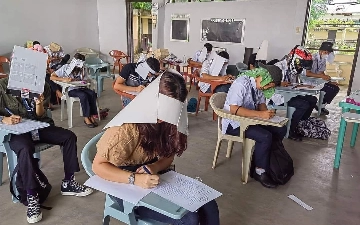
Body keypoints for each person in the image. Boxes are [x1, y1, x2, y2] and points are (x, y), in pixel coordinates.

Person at [93, 70, 220, 225]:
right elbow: (98, 166)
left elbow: (169, 156)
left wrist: (154, 166)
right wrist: (134, 179)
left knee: (208, 204)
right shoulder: (126, 129)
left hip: (152, 176)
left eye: (169, 114)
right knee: (189, 218)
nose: (162, 119)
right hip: (122, 184)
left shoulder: (169, 121)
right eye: (161, 113)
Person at [0, 78, 93, 224]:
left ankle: (68, 182)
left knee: (68, 137)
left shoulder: (42, 85)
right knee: (25, 148)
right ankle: (32, 196)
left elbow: (40, 115)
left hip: (37, 127)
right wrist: (3, 119)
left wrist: (38, 104)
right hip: (15, 131)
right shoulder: (2, 86)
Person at [223, 68, 287, 188]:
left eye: (270, 86)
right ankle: (260, 171)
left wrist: (267, 112)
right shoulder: (241, 83)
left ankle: (265, 161)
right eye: (266, 84)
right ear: (260, 76)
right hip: (234, 123)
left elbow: (261, 104)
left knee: (280, 129)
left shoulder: (259, 85)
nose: (266, 87)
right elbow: (234, 109)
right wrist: (260, 115)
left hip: (250, 120)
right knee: (265, 136)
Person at [273, 46, 318, 141]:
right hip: (279, 97)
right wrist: (279, 83)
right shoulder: (278, 67)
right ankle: (290, 131)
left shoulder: (293, 69)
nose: (300, 68)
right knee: (303, 104)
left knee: (313, 100)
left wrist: (303, 86)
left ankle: (300, 124)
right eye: (300, 65)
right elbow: (269, 85)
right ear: (294, 60)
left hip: (290, 94)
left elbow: (292, 84)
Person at [50, 53, 99, 128]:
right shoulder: (66, 67)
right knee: (83, 96)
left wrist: (85, 80)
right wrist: (64, 79)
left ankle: (91, 115)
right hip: (70, 89)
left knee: (92, 94)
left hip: (81, 87)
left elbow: (86, 79)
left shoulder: (83, 68)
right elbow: (52, 77)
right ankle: (86, 117)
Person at [303, 42, 340, 115]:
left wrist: (329, 81)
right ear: (320, 51)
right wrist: (322, 77)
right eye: (326, 52)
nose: (327, 54)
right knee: (331, 89)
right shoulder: (311, 59)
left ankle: (321, 105)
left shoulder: (323, 60)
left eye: (328, 53)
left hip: (317, 81)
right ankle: (319, 105)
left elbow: (321, 73)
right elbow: (308, 73)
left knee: (335, 87)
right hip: (307, 81)